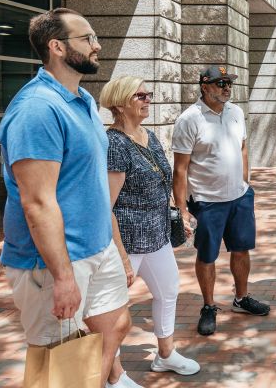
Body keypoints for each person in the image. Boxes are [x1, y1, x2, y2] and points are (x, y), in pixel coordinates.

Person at [0, 8, 139, 388]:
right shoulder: (37, 110)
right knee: (58, 365)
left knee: (116, 324)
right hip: (54, 260)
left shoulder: (84, 102)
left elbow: (90, 184)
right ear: (57, 47)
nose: (98, 45)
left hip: (97, 246)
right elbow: (37, 202)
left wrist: (116, 249)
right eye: (87, 38)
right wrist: (62, 277)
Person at [99, 76, 200, 376]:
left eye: (148, 94)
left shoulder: (149, 135)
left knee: (168, 290)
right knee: (114, 309)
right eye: (139, 96)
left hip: (157, 235)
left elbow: (162, 180)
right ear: (119, 103)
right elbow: (107, 205)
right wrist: (119, 255)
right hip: (127, 240)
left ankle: (165, 354)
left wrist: (179, 214)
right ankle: (111, 372)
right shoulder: (114, 143)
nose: (147, 100)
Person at [172, 66, 270, 337]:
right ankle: (208, 306)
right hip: (206, 201)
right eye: (220, 83)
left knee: (241, 249)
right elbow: (180, 169)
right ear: (205, 86)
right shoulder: (189, 119)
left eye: (229, 83)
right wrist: (181, 209)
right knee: (207, 256)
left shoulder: (236, 112)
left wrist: (246, 182)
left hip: (239, 197)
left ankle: (241, 298)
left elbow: (243, 147)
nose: (227, 87)